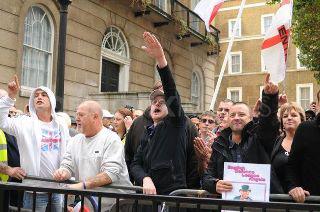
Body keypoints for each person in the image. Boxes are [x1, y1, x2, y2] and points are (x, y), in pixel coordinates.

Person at [130, 32, 198, 197]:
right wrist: (145, 178)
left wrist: (161, 60)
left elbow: (171, 91)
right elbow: (135, 164)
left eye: (162, 101)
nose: (157, 104)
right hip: (149, 200)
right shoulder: (147, 132)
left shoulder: (176, 124)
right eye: (154, 101)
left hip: (172, 198)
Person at [202, 73, 283, 195]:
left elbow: (269, 123)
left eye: (241, 115)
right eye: (232, 115)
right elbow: (207, 177)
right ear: (228, 119)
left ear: (251, 118)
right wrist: (215, 184)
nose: (236, 118)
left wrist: (270, 97)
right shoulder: (219, 144)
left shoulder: (259, 138)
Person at [0, 76, 69, 211]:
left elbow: (68, 153)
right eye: (36, 95)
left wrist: (67, 175)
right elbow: (2, 122)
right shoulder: (24, 123)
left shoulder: (61, 125)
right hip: (34, 191)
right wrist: (10, 96)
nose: (39, 97)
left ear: (52, 100)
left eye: (44, 95)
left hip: (57, 189)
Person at [53, 101, 132, 211]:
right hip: (91, 206)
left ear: (95, 117)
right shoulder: (75, 140)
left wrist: (82, 186)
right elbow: (68, 165)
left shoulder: (111, 139)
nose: (77, 118)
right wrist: (63, 172)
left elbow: (111, 173)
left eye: (81, 115)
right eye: (76, 114)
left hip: (116, 206)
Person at [286, 91, 320, 203]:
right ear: (318, 105)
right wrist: (293, 187)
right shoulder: (306, 129)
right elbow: (292, 165)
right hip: (311, 203)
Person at [271, 103, 305, 193]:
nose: (289, 118)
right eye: (285, 116)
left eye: (294, 115)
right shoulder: (275, 142)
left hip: (306, 199)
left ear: (301, 119)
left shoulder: (309, 142)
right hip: (278, 199)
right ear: (281, 121)